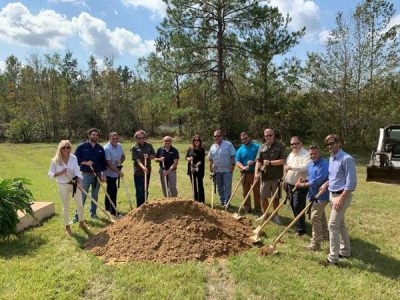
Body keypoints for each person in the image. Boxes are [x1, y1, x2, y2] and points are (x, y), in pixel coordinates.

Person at [320, 134, 357, 266]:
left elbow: (351, 183)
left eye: (332, 143)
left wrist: (341, 198)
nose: (330, 146)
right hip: (332, 194)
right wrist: (326, 184)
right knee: (340, 224)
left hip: (342, 196)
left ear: (339, 143)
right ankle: (345, 251)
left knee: (332, 225)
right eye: (327, 144)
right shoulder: (331, 157)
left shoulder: (347, 159)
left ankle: (332, 258)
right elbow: (334, 177)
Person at [48, 140, 87, 236]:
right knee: (66, 206)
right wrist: (60, 172)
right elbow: (50, 175)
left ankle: (81, 222)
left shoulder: (73, 158)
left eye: (68, 147)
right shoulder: (55, 160)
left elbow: (77, 171)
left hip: (74, 184)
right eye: (63, 147)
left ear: (70, 148)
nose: (66, 149)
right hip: (63, 185)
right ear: (60, 149)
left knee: (80, 205)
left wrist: (80, 183)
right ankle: (67, 227)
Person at [295, 145, 329, 250]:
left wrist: (302, 185)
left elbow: (316, 181)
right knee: (320, 216)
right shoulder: (311, 164)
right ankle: (325, 235)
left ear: (319, 153)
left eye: (314, 153)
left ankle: (315, 243)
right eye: (310, 154)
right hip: (313, 195)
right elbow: (311, 177)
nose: (312, 155)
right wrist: (304, 179)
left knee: (315, 217)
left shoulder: (324, 165)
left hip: (322, 195)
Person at [72, 128, 107, 221]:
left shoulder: (100, 148)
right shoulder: (82, 147)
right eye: (93, 134)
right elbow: (75, 159)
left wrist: (104, 174)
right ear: (89, 135)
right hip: (86, 175)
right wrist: (85, 163)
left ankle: (93, 214)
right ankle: (77, 216)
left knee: (95, 195)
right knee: (82, 195)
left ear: (98, 137)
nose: (95, 136)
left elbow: (103, 162)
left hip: (97, 175)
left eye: (96, 135)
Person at [255, 128, 287, 224]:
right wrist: (256, 173)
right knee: (263, 197)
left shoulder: (280, 146)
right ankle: (265, 214)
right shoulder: (262, 147)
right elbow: (258, 161)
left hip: (276, 177)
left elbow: (283, 161)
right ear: (264, 137)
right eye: (266, 136)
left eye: (270, 135)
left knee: (275, 198)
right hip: (265, 177)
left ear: (274, 135)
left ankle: (275, 215)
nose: (268, 137)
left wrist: (270, 163)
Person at [284, 136, 311, 236]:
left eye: (296, 143)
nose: (294, 145)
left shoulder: (306, 154)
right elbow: (286, 165)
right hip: (289, 184)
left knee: (298, 206)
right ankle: (299, 224)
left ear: (301, 143)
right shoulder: (291, 154)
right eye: (292, 144)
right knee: (293, 205)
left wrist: (291, 167)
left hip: (300, 185)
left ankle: (301, 230)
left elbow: (306, 167)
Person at [208, 130, 236, 206]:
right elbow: (210, 159)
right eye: (215, 136)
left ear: (222, 136)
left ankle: (227, 202)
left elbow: (233, 156)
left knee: (227, 187)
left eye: (218, 136)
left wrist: (232, 166)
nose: (216, 137)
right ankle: (222, 200)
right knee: (219, 187)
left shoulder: (228, 144)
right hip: (217, 171)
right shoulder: (212, 147)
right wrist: (211, 168)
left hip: (227, 170)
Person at [235, 132, 261, 213]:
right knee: (245, 192)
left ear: (249, 138)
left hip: (255, 173)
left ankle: (258, 208)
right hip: (245, 174)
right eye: (243, 139)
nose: (245, 140)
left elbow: (261, 157)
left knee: (256, 191)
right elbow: (237, 161)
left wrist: (254, 162)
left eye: (246, 138)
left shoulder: (257, 146)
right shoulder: (240, 150)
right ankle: (247, 207)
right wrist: (243, 167)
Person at [131, 130, 155, 207]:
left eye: (143, 137)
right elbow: (137, 160)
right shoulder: (134, 147)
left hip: (147, 171)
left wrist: (148, 156)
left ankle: (144, 205)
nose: (141, 139)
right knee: (139, 191)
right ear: (136, 138)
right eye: (139, 138)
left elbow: (153, 156)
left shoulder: (149, 145)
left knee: (145, 189)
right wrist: (143, 167)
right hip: (138, 172)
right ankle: (139, 207)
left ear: (145, 137)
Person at [103, 132, 125, 216]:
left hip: (115, 172)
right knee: (113, 191)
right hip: (108, 173)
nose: (115, 140)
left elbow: (123, 156)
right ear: (109, 138)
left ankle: (107, 207)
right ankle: (113, 211)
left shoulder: (120, 145)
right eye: (113, 139)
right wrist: (119, 172)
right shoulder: (106, 148)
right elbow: (109, 164)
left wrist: (121, 161)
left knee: (109, 190)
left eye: (116, 138)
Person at [185, 135, 206, 203]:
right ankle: (195, 200)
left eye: (198, 140)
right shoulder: (190, 148)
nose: (196, 141)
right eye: (195, 140)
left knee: (200, 184)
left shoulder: (202, 149)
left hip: (199, 169)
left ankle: (201, 201)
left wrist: (195, 166)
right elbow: (186, 157)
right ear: (193, 141)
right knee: (193, 184)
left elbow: (201, 160)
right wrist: (189, 159)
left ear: (200, 141)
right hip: (191, 169)